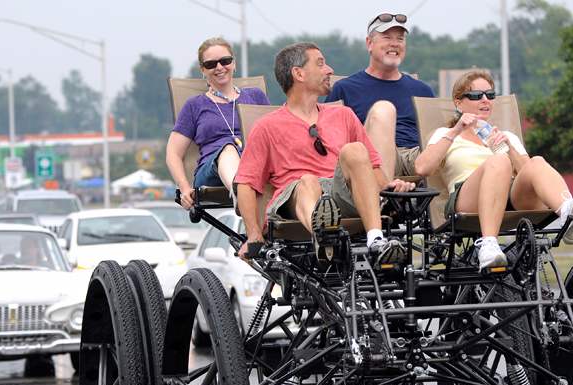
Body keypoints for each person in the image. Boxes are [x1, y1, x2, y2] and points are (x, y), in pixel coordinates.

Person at [235, 42, 414, 265]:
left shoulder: (344, 115)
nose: (329, 70)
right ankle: (324, 237)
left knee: (354, 150)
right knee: (308, 181)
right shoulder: (266, 126)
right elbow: (246, 184)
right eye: (320, 64)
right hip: (297, 197)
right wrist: (253, 235)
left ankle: (375, 240)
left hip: (340, 193)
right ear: (298, 73)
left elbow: (373, 168)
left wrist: (389, 187)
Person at [413, 70, 573, 271]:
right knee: (498, 162)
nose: (485, 100)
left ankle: (568, 213)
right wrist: (456, 131)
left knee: (537, 161)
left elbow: (531, 175)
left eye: (490, 95)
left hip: (509, 197)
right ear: (458, 102)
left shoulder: (505, 135)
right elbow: (422, 168)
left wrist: (508, 146)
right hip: (467, 201)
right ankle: (488, 244)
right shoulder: (446, 134)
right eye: (476, 95)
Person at [327, 12, 434, 181]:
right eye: (386, 37)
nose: (394, 44)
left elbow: (433, 137)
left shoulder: (422, 91)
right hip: (369, 160)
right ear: (369, 43)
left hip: (416, 159)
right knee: (383, 112)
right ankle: (384, 196)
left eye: (400, 39)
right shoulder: (345, 89)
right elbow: (330, 141)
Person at [167, 37, 270, 209]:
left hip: (254, 162)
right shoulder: (195, 105)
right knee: (228, 148)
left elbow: (273, 136)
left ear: (234, 64)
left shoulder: (255, 96)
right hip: (211, 171)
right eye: (211, 64)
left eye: (225, 61)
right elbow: (173, 153)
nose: (219, 67)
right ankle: (241, 196)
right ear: (203, 70)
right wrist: (184, 187)